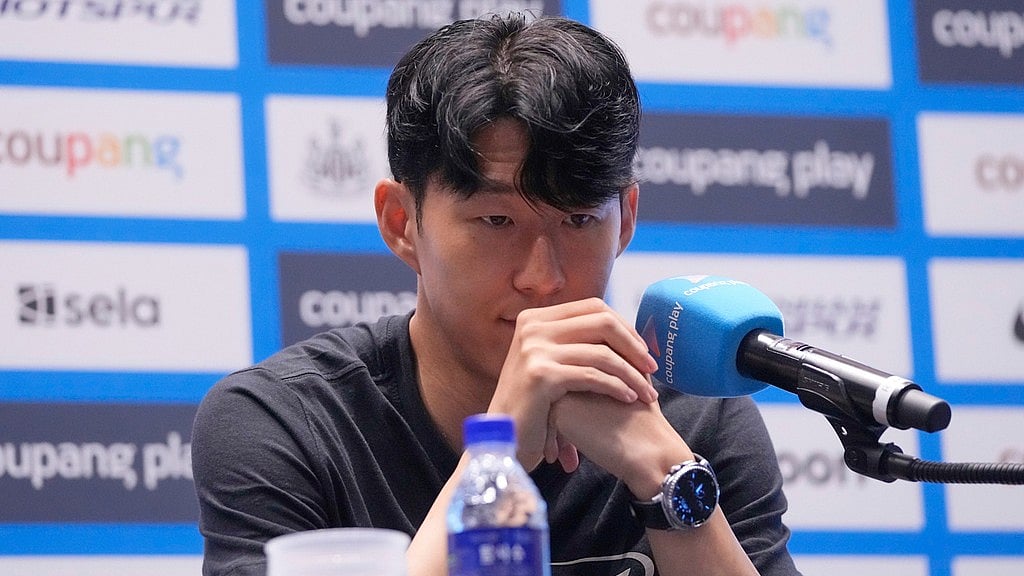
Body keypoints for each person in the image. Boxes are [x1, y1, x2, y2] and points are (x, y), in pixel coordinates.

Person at [192, 12, 802, 576]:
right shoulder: (286, 422)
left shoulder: (695, 420)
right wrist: (496, 453)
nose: (543, 277)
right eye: (497, 222)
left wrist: (668, 480)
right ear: (402, 223)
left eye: (580, 219)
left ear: (628, 219)